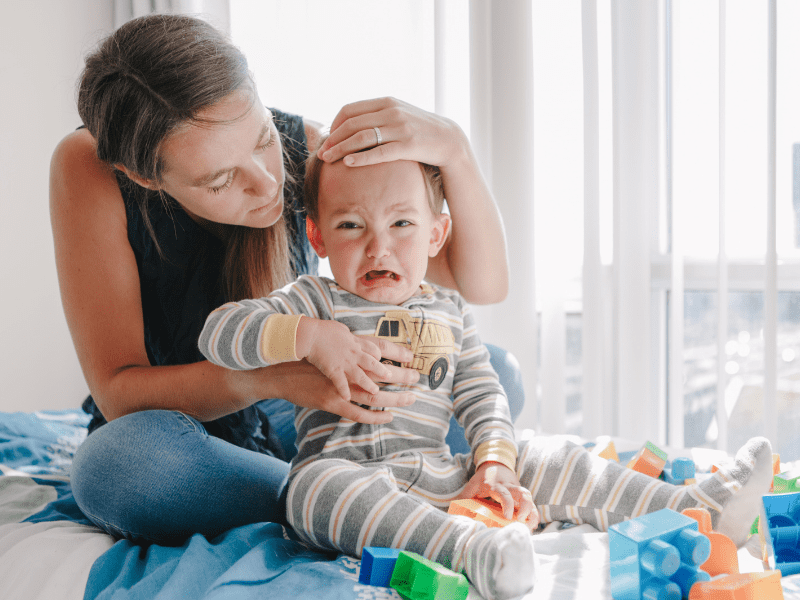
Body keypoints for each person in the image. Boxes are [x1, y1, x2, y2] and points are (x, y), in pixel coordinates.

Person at [198, 146, 774, 600]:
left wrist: (496, 465)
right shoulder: (312, 299)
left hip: (441, 475)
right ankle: (470, 551)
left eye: (401, 223)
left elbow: (481, 393)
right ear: (317, 235)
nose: (379, 248)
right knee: (308, 488)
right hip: (351, 480)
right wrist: (307, 336)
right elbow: (218, 334)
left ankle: (696, 506)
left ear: (435, 234)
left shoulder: (448, 309)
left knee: (544, 453)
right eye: (351, 226)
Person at [52, 14, 513, 545]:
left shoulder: (314, 150)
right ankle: (329, 496)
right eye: (222, 180)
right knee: (117, 467)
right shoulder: (88, 167)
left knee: (497, 374)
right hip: (184, 425)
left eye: (262, 138)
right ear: (143, 177)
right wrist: (269, 376)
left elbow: (480, 284)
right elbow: (117, 392)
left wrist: (454, 149)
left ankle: (350, 497)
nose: (269, 181)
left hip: (294, 415)